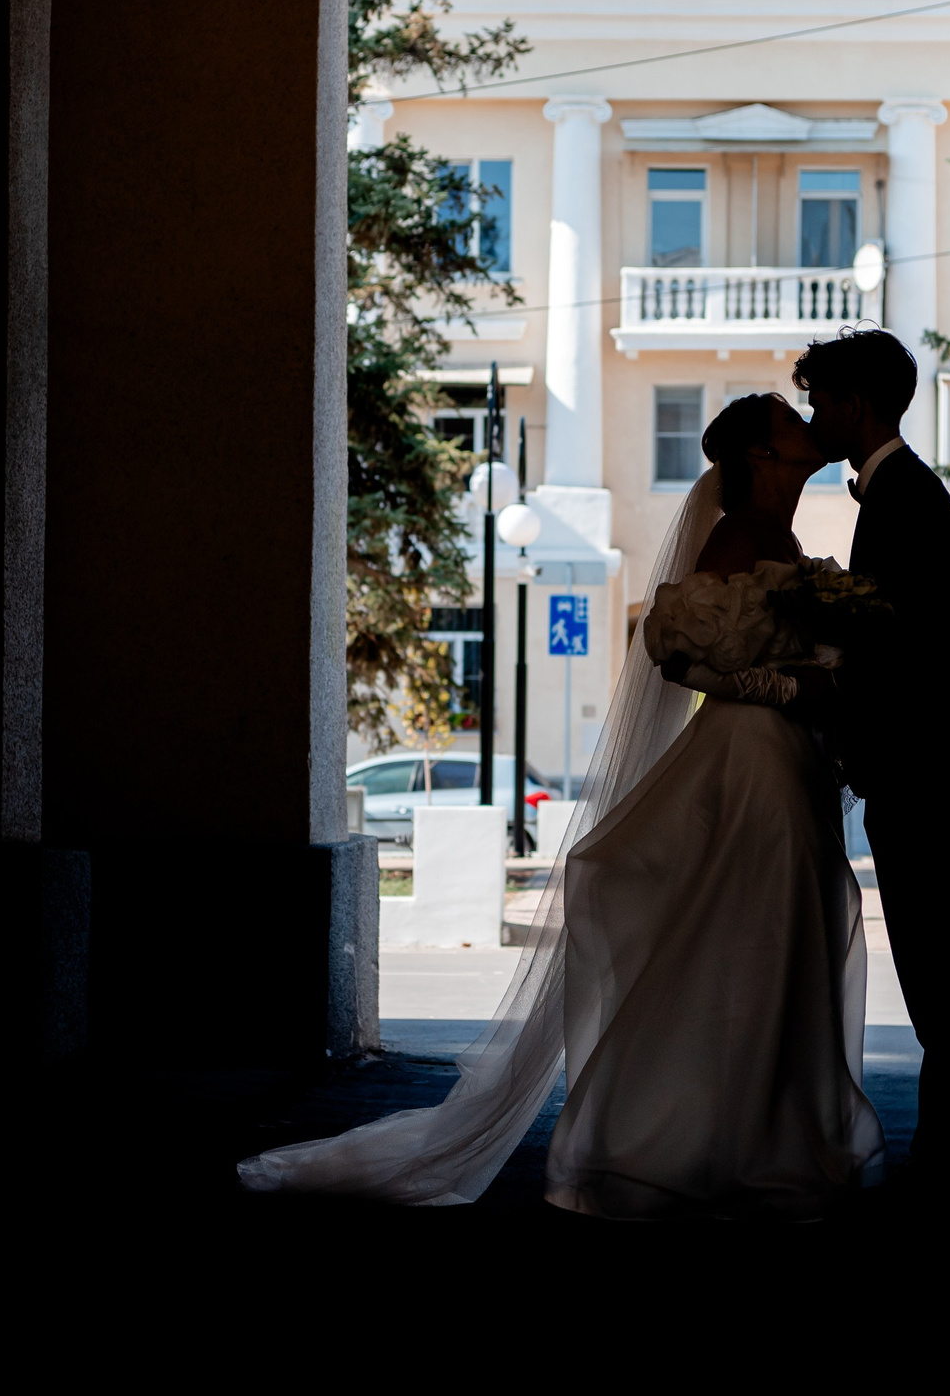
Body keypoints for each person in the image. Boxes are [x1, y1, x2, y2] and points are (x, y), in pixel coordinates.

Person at [237, 393, 882, 1217]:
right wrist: (770, 683)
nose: (806, 422)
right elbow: (676, 652)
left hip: (789, 760)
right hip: (750, 762)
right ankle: (693, 1139)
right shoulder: (736, 537)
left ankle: (760, 1135)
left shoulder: (787, 539)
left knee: (782, 944)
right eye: (790, 419)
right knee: (752, 944)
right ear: (763, 455)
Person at [795, 327, 950, 1180]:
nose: (816, 413)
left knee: (937, 968)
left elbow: (909, 648)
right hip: (922, 760)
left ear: (856, 404)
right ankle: (948, 1150)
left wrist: (830, 669)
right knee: (935, 964)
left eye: (822, 398)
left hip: (921, 763)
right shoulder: (901, 491)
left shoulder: (908, 499)